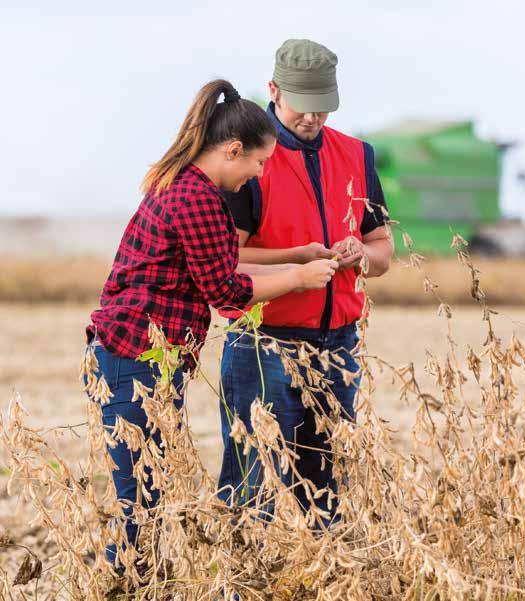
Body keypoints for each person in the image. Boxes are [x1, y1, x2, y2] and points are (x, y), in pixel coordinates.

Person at [82, 78, 338, 568]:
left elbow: (223, 266)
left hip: (146, 361)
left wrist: (297, 261)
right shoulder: (196, 198)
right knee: (139, 504)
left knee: (148, 494)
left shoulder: (191, 186)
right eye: (259, 163)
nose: (259, 175)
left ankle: (137, 582)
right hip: (132, 362)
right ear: (233, 150)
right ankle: (121, 585)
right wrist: (301, 278)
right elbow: (226, 293)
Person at [216, 39, 394, 525]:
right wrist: (297, 273)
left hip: (338, 345)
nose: (313, 119)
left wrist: (362, 255)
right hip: (262, 343)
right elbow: (227, 261)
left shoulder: (359, 155)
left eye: (323, 107)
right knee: (253, 488)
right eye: (302, 106)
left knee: (327, 491)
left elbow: (383, 251)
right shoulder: (249, 159)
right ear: (273, 90)